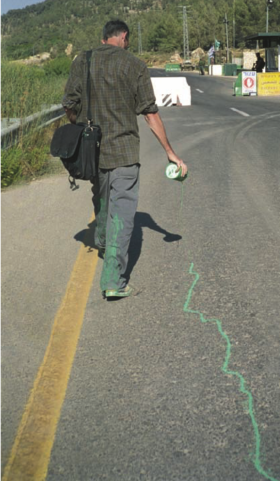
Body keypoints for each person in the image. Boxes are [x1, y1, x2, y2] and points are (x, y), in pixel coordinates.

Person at [62, 20, 187, 300]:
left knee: (102, 200)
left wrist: (82, 127)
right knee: (122, 212)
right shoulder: (134, 65)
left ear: (104, 37)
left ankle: (104, 244)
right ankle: (114, 280)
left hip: (91, 151)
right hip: (124, 151)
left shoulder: (82, 60)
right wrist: (170, 151)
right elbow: (150, 114)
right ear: (124, 37)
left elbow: (69, 105)